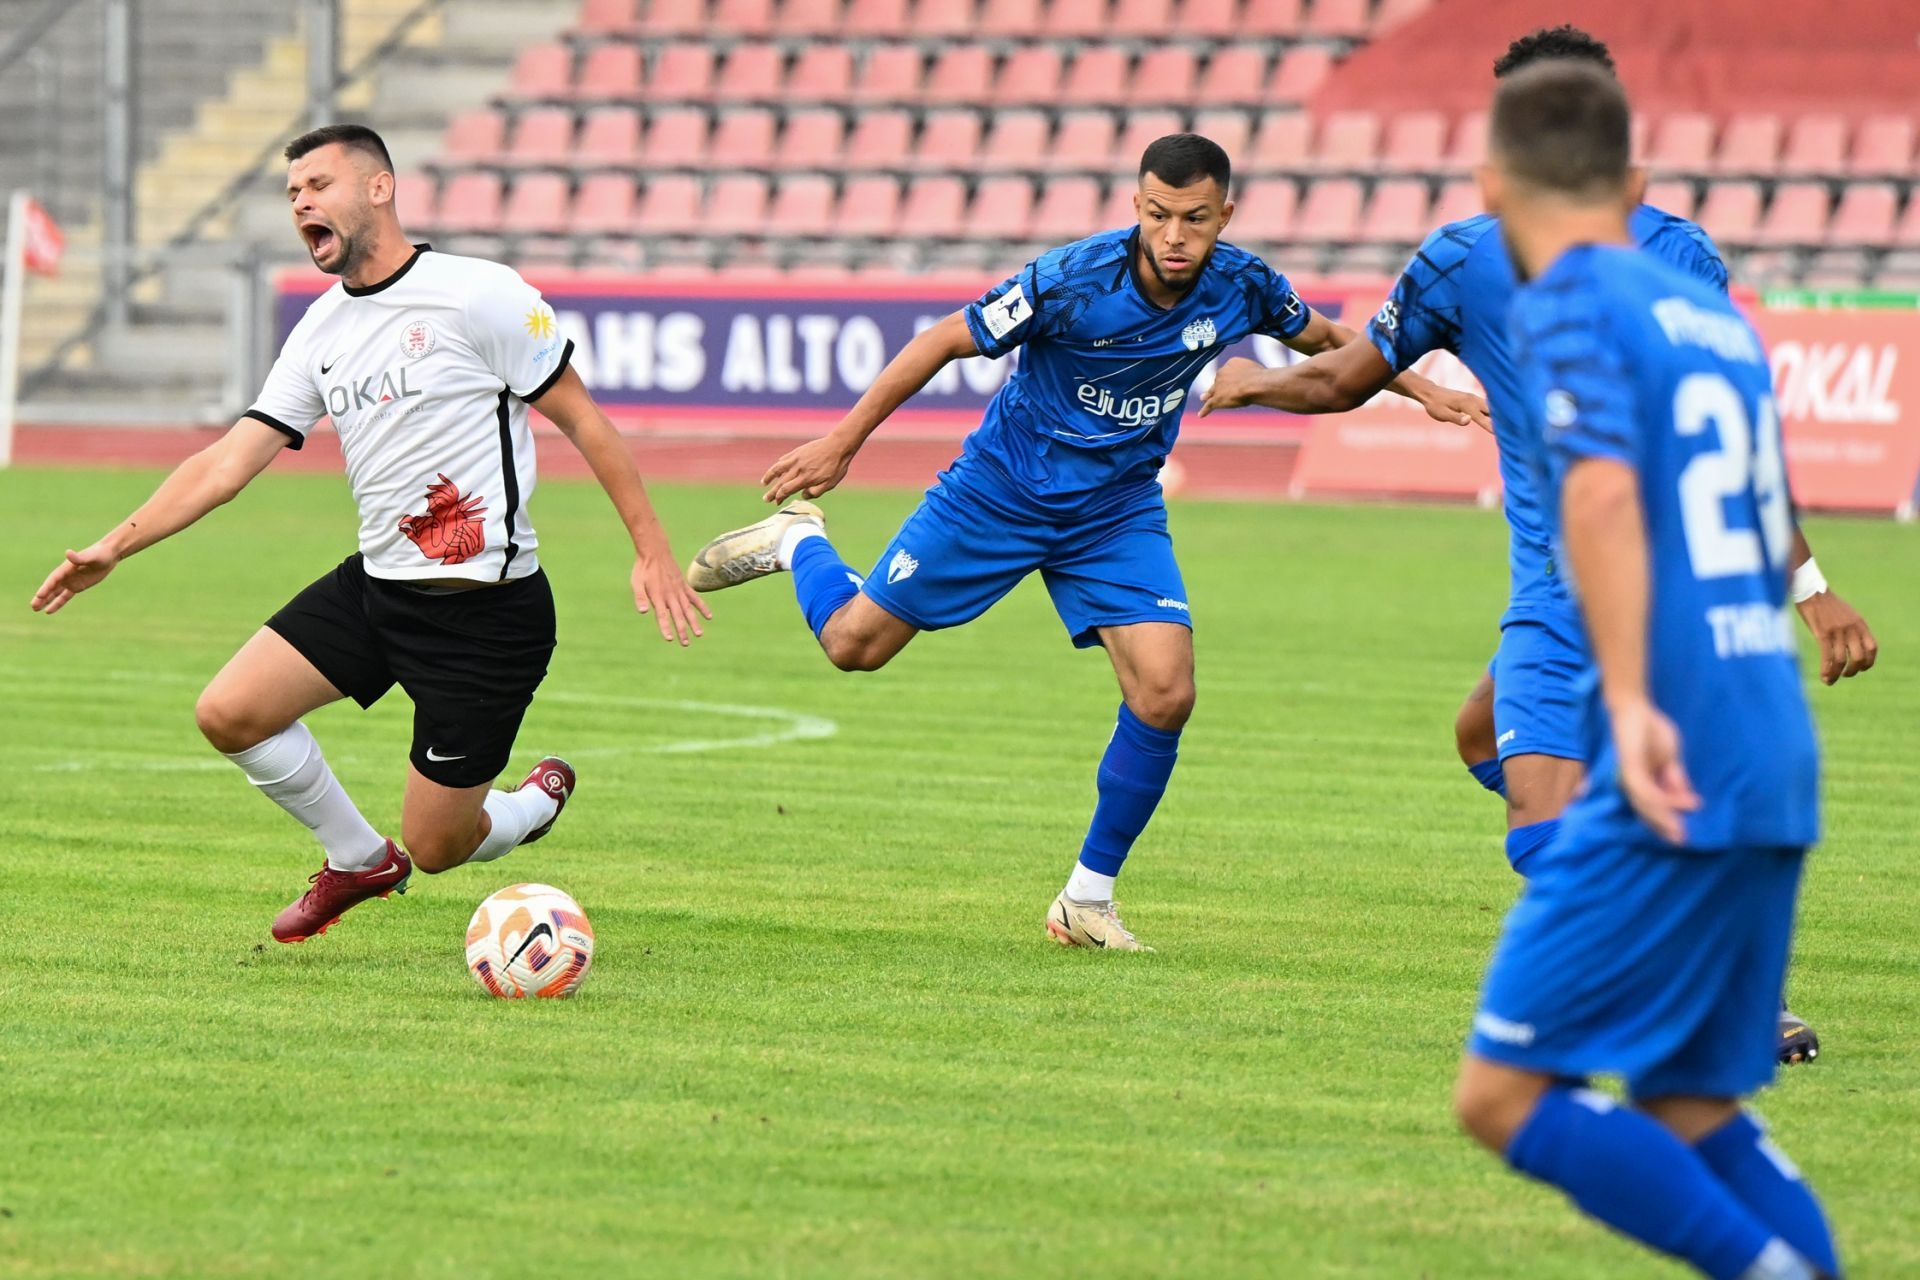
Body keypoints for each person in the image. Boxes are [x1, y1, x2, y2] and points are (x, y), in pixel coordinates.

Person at [1199, 26, 1874, 1063]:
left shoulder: (1531, 255)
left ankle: (1708, 986)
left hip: (1583, 586)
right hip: (1670, 592)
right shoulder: (1503, 259)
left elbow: (1713, 436)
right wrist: (1268, 385)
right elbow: (1345, 375)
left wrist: (1813, 581)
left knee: (1541, 813)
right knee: (1482, 737)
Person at [682, 134, 1487, 950]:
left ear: (1226, 216)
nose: (1175, 236)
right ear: (1136, 207)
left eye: (1196, 219)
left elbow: (1322, 338)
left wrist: (1420, 387)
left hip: (1115, 511)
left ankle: (1086, 899)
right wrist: (843, 442)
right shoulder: (1070, 281)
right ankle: (797, 543)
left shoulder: (1242, 283)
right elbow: (941, 342)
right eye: (1159, 215)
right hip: (1001, 493)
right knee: (854, 646)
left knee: (1167, 692)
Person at [29, 124, 709, 942]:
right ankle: (355, 859)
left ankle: (530, 805)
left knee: (439, 845)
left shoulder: (477, 293)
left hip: (486, 620)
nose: (301, 203)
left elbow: (588, 425)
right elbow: (226, 462)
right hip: (378, 589)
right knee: (229, 712)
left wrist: (652, 548)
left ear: (380, 188)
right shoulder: (320, 332)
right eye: (292, 195)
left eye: (317, 185)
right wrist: (116, 543)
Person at [1450, 61, 1839, 1279]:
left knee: (1503, 1091)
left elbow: (1604, 494)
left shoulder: (1567, 300)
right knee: (1690, 1098)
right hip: (1770, 734)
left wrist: (1624, 698)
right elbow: (1769, 512)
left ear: (1490, 183)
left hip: (1672, 744)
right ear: (1635, 184)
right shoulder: (1710, 309)